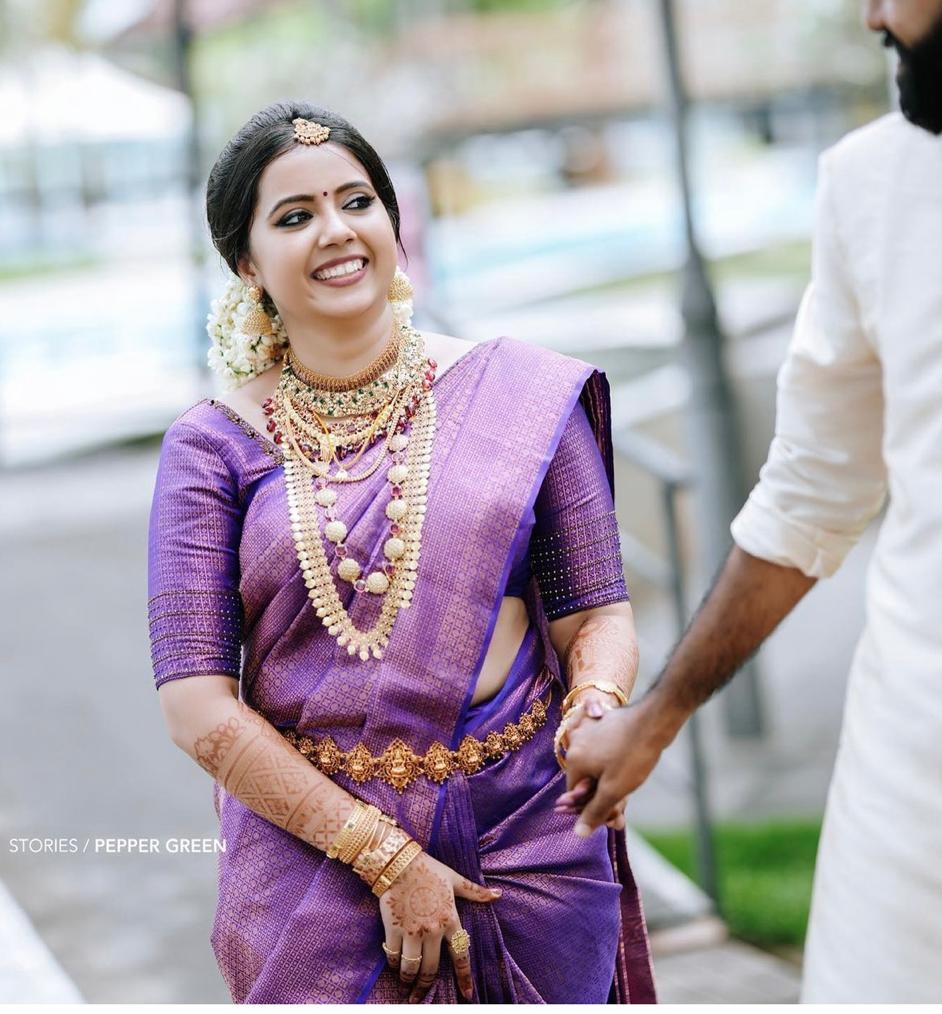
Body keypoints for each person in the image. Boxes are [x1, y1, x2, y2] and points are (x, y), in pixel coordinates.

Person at [145, 100, 656, 1004]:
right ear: (247, 264)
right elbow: (194, 707)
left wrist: (599, 702)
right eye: (295, 216)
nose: (336, 232)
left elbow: (597, 613)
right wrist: (384, 858)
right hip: (315, 864)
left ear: (393, 221)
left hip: (531, 830)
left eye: (357, 201)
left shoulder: (524, 394)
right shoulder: (213, 443)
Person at [556, 0, 942, 1002]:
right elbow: (807, 496)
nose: (871, 15)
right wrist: (658, 716)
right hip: (919, 783)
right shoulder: (867, 187)